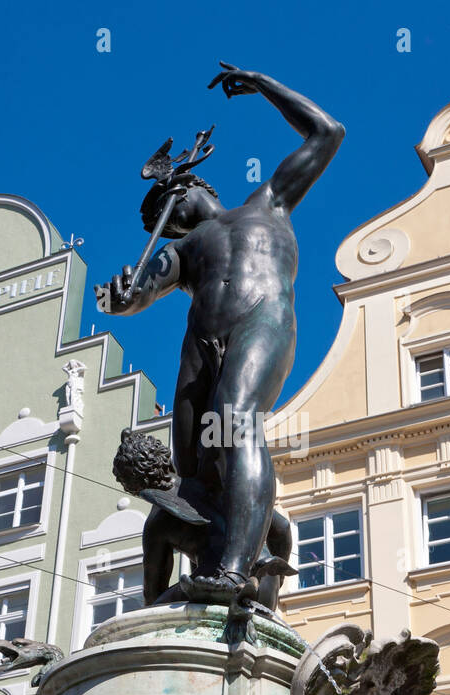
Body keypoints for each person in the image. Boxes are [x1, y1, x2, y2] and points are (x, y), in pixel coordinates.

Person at [97, 63, 343, 605]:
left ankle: (234, 569)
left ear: (189, 186)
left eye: (164, 208)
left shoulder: (267, 204)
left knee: (234, 420)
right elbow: (142, 293)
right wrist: (121, 301)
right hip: (198, 343)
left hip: (262, 321)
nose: (168, 221)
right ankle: (256, 539)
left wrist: (262, 84)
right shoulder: (180, 251)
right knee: (191, 468)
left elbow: (327, 133)